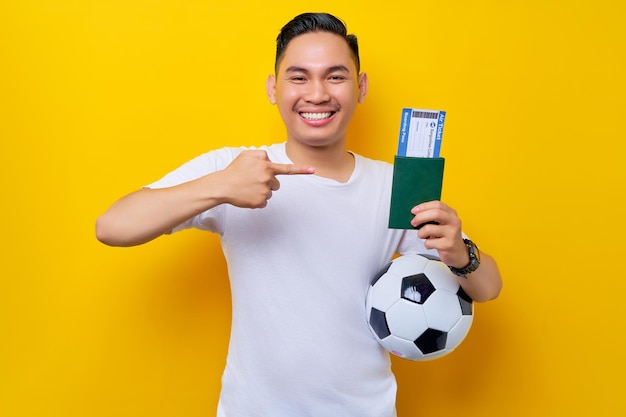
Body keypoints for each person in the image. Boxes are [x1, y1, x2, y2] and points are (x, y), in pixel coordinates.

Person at [96, 12, 502, 417]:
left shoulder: (395, 185)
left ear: (360, 88)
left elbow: (489, 288)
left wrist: (462, 253)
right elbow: (112, 226)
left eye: (336, 76)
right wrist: (220, 186)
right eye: (299, 77)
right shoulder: (234, 168)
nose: (318, 93)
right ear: (274, 88)